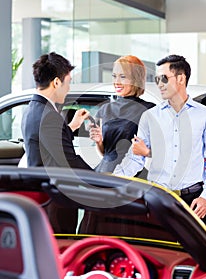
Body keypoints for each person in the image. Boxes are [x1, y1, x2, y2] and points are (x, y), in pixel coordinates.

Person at [114, 54, 206, 224]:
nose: (159, 84)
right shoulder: (150, 116)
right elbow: (135, 158)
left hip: (192, 201)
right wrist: (113, 180)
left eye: (164, 78)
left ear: (181, 78)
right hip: (157, 199)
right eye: (157, 79)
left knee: (193, 251)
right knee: (157, 250)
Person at [21, 52, 93, 233]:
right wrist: (104, 179)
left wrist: (71, 127)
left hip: (43, 198)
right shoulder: (49, 116)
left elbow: (50, 146)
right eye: (68, 83)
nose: (68, 89)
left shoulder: (33, 109)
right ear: (56, 82)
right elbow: (69, 161)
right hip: (54, 203)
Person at [89, 55, 155, 174]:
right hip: (103, 173)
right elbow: (107, 153)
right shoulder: (105, 109)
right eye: (114, 76)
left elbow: (164, 153)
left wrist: (146, 152)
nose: (117, 82)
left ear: (136, 79)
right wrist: (99, 141)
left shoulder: (148, 110)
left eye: (123, 77)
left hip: (130, 176)